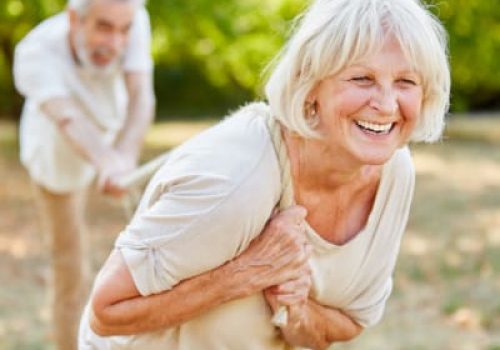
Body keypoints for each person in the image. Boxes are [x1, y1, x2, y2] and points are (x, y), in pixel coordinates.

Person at [79, 0, 450, 348]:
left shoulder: (394, 173)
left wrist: (297, 308)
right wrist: (244, 274)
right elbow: (106, 313)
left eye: (406, 82)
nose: (386, 104)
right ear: (311, 84)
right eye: (361, 79)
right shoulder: (236, 180)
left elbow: (350, 323)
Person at [13, 0, 155, 349]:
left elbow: (141, 95)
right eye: (104, 28)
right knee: (71, 270)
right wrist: (107, 160)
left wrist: (124, 154)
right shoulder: (34, 53)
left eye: (124, 31)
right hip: (56, 150)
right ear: (74, 19)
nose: (117, 43)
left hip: (110, 126)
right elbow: (67, 118)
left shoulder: (132, 16)